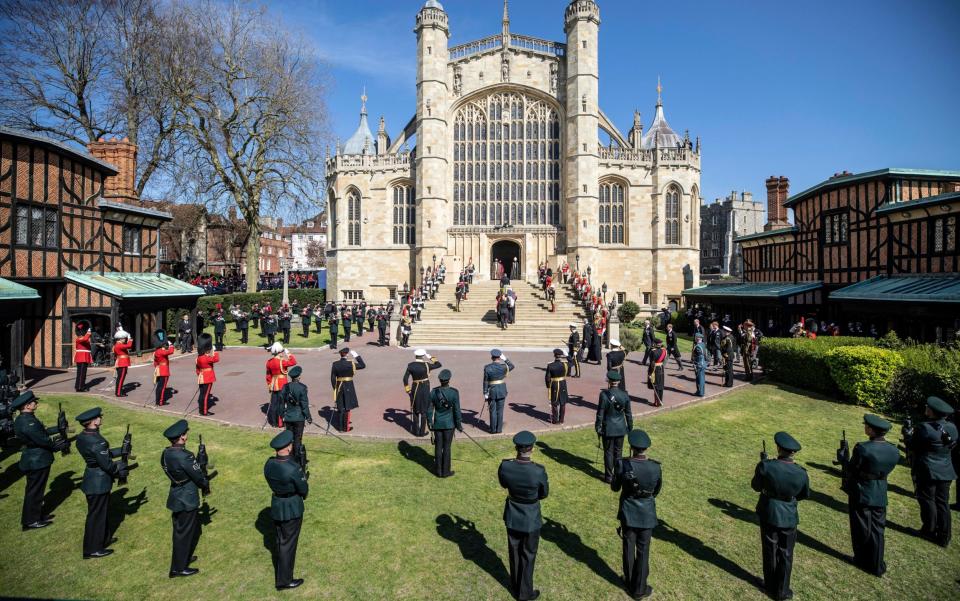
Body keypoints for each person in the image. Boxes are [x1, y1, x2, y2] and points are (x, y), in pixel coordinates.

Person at [751, 431, 810, 601]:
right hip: (789, 514)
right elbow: (804, 494)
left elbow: (755, 486)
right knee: (787, 552)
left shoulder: (766, 466)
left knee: (770, 549)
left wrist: (762, 464)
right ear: (793, 453)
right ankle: (782, 589)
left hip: (769, 511)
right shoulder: (801, 472)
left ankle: (770, 585)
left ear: (778, 448)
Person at [844, 414, 899, 576]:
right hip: (880, 491)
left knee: (861, 528)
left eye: (867, 426)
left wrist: (844, 460)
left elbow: (852, 469)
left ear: (872, 430)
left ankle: (862, 560)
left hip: (862, 491)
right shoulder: (893, 450)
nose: (865, 427)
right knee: (877, 529)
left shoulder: (863, 448)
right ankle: (877, 563)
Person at [498, 431, 549, 601]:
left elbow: (504, 483)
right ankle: (525, 593)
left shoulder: (505, 466)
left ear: (516, 448)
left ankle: (515, 585)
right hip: (531, 517)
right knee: (528, 554)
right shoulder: (538, 471)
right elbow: (544, 493)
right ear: (532, 449)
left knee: (514, 551)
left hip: (513, 514)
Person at [611, 430, 661, 599]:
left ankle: (629, 580)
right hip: (647, 512)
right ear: (646, 448)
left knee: (628, 546)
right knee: (643, 549)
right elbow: (656, 491)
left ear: (631, 447)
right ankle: (639, 588)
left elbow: (615, 487)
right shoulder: (655, 467)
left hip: (628, 511)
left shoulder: (622, 464)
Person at [75, 407, 128, 559]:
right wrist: (119, 469)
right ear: (93, 421)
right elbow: (107, 464)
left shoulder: (83, 437)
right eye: (99, 417)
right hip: (99, 482)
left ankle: (103, 539)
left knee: (99, 513)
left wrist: (121, 450)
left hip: (91, 477)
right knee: (96, 516)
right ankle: (92, 549)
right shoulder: (97, 441)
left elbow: (99, 455)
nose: (100, 418)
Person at [904, 396, 957, 546]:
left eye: (927, 407)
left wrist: (907, 433)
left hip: (927, 469)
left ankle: (928, 530)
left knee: (927, 500)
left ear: (932, 411)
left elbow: (912, 445)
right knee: (942, 503)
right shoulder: (952, 427)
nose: (925, 408)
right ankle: (944, 536)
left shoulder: (924, 428)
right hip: (946, 469)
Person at [161, 419, 210, 578]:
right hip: (187, 497)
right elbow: (198, 477)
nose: (186, 435)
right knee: (184, 532)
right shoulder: (185, 456)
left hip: (176, 494)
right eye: (185, 433)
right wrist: (204, 478)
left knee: (180, 530)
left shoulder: (166, 453)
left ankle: (182, 558)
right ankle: (178, 568)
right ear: (182, 437)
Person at [13, 391, 68, 530]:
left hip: (35, 459)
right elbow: (42, 439)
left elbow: (41, 432)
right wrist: (55, 446)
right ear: (27, 406)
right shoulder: (28, 422)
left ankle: (35, 516)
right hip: (37, 460)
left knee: (36, 490)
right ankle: (31, 521)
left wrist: (59, 428)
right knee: (34, 492)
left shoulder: (27, 418)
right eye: (34, 402)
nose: (36, 403)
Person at [264, 430, 308, 590]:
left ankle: (283, 574)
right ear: (288, 447)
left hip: (277, 504)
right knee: (289, 543)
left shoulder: (269, 464)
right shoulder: (293, 468)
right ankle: (285, 580)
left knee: (281, 540)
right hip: (291, 507)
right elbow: (303, 489)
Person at [597, 370, 633, 483]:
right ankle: (617, 475)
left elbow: (600, 413)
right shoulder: (625, 394)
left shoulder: (604, 395)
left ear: (609, 381)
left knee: (608, 452)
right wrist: (630, 426)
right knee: (618, 453)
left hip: (608, 428)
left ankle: (608, 476)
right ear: (618, 381)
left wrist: (598, 427)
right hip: (621, 427)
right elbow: (628, 413)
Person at [427, 369, 463, 478]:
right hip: (449, 425)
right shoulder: (454, 392)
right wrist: (459, 425)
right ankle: (446, 471)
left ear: (440, 380)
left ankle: (438, 471)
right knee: (447, 447)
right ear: (449, 380)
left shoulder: (433, 392)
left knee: (438, 447)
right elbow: (457, 410)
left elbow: (429, 409)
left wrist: (429, 422)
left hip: (437, 424)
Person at [403, 349, 442, 437]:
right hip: (424, 388)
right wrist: (431, 357)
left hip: (415, 388)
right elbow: (439, 364)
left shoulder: (410, 365)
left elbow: (405, 379)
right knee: (424, 410)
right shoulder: (427, 365)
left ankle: (416, 431)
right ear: (423, 356)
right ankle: (422, 432)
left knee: (415, 409)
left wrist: (408, 390)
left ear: (415, 356)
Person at [281, 365, 312, 466]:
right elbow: (304, 404)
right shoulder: (302, 388)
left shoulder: (285, 387)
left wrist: (282, 414)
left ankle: (289, 457)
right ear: (299, 376)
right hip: (298, 417)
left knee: (289, 439)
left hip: (288, 416)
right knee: (298, 438)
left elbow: (281, 402)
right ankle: (297, 460)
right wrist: (308, 417)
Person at [331, 347, 365, 432]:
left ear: (341, 354)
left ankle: (340, 428)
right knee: (347, 408)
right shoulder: (351, 364)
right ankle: (346, 428)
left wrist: (335, 388)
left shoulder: (335, 364)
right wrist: (356, 356)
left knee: (340, 408)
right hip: (348, 386)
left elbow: (332, 378)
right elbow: (363, 365)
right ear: (347, 354)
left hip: (339, 386)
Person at [482, 349, 515, 434]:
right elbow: (512, 366)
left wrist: (485, 392)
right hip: (501, 390)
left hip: (491, 390)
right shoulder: (504, 367)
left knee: (492, 411)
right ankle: (499, 429)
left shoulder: (487, 367)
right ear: (499, 358)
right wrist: (505, 359)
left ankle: (493, 430)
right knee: (500, 411)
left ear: (491, 357)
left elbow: (485, 381)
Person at [266, 343, 298, 428]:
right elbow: (293, 362)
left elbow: (268, 375)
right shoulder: (281, 361)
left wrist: (269, 385)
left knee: (274, 403)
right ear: (279, 352)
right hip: (282, 384)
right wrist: (288, 353)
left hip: (273, 384)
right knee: (282, 404)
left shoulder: (269, 362)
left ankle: (273, 422)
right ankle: (280, 423)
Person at [195, 333, 219, 416]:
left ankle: (201, 410)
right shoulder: (206, 358)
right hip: (207, 377)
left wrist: (200, 375)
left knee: (202, 394)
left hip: (201, 377)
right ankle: (204, 411)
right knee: (205, 395)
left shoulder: (199, 358)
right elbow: (216, 359)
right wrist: (214, 351)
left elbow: (197, 370)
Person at [544, 348, 569, 425]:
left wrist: (548, 386)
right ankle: (561, 420)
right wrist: (567, 355)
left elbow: (547, 378)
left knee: (554, 403)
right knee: (563, 402)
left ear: (554, 355)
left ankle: (555, 420)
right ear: (561, 356)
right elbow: (572, 362)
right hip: (563, 384)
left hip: (554, 384)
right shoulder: (565, 364)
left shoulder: (550, 365)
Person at [153, 332, 175, 406]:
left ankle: (157, 401)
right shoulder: (161, 351)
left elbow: (155, 363)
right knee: (162, 387)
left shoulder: (156, 351)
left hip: (159, 369)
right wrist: (171, 344)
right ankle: (161, 401)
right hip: (164, 370)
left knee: (159, 386)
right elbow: (171, 351)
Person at [646, 338, 667, 408]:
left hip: (655, 369)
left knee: (656, 386)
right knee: (661, 385)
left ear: (655, 343)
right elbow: (664, 360)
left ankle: (657, 402)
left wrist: (650, 373)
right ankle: (660, 400)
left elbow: (652, 363)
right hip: (661, 368)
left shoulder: (653, 351)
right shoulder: (664, 350)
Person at [113, 328, 133, 397]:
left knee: (120, 378)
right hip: (122, 363)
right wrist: (130, 339)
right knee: (121, 378)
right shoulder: (119, 345)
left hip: (121, 362)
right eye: (124, 338)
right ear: (121, 339)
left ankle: (119, 391)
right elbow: (129, 346)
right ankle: (118, 392)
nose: (125, 339)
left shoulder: (117, 344)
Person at [74, 320, 92, 392]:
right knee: (81, 373)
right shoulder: (79, 339)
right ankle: (79, 387)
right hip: (81, 357)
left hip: (84, 357)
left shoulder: (83, 339)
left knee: (83, 373)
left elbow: (86, 341)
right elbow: (85, 338)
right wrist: (89, 331)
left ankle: (80, 385)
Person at [692, 333, 708, 397]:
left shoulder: (698, 346)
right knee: (702, 378)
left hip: (699, 364)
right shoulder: (703, 344)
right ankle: (701, 391)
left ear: (698, 338)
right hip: (703, 363)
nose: (695, 338)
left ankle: (700, 392)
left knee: (699, 379)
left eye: (696, 337)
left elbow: (699, 356)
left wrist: (694, 361)